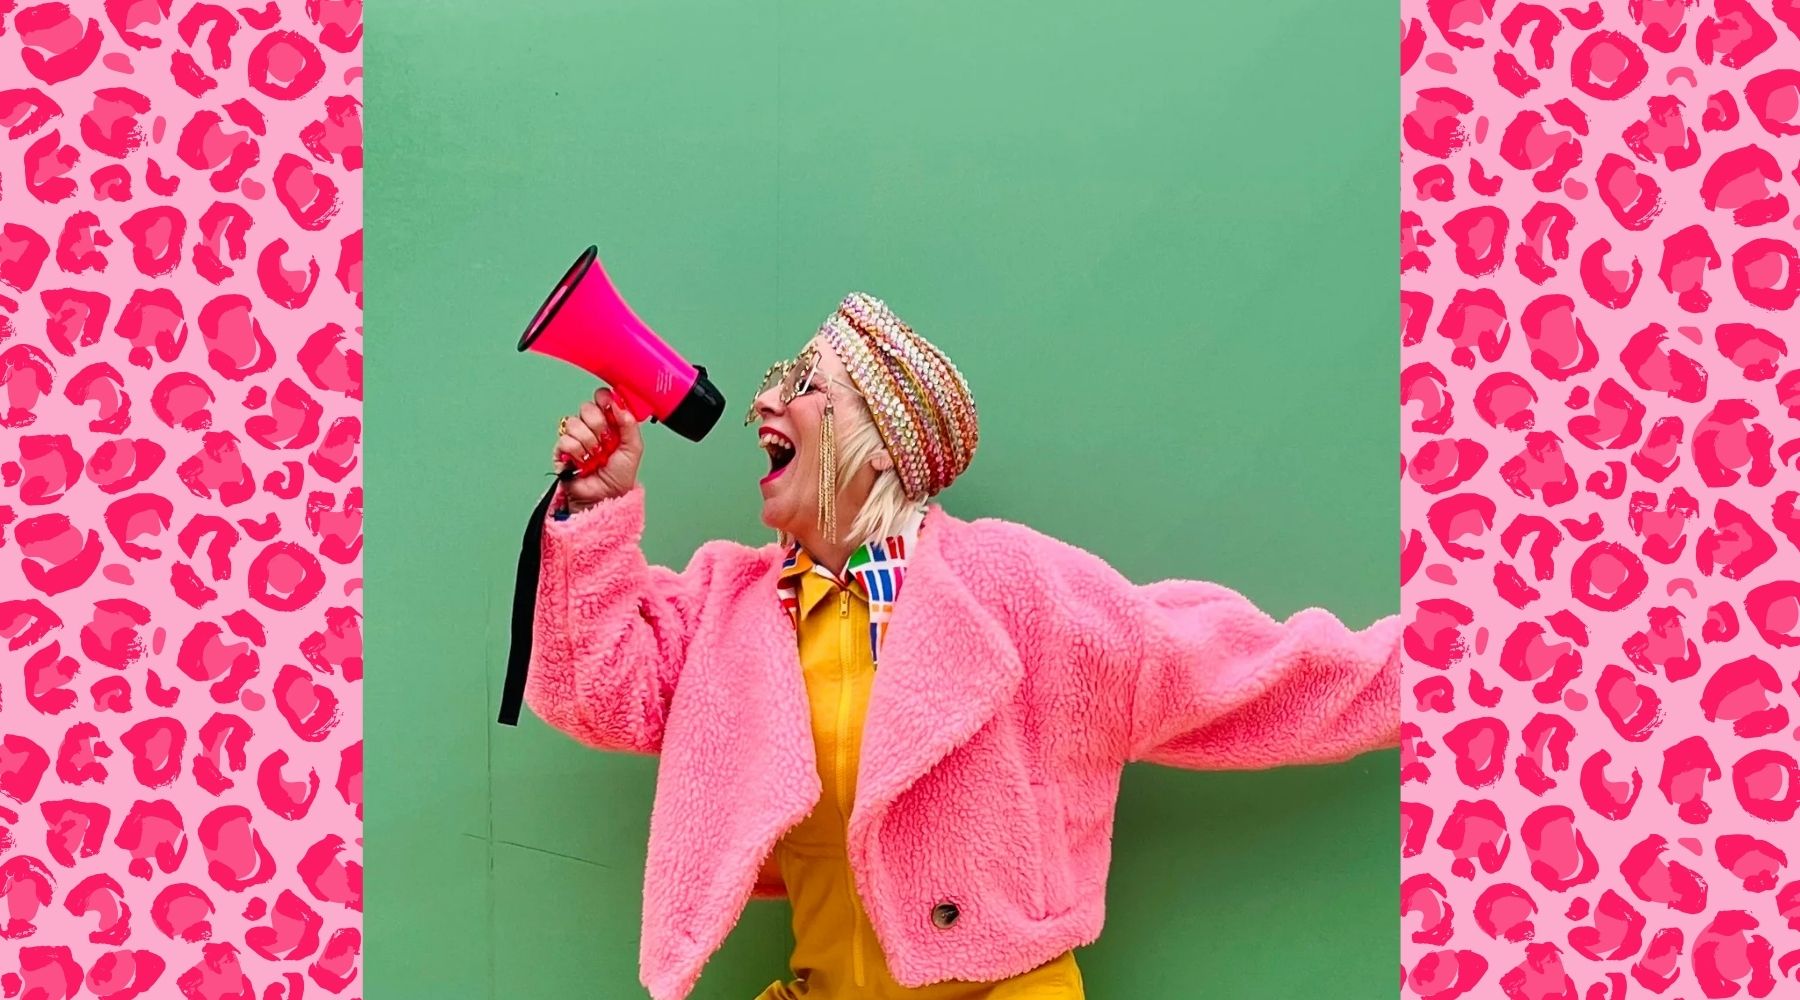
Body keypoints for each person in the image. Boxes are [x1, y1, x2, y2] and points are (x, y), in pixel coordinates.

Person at [525, 292, 1401, 1000]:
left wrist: (1466, 663)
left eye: (802, 381)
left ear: (881, 437)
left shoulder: (1018, 591)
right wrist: (595, 512)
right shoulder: (732, 606)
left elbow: (1243, 672)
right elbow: (593, 690)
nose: (763, 398)